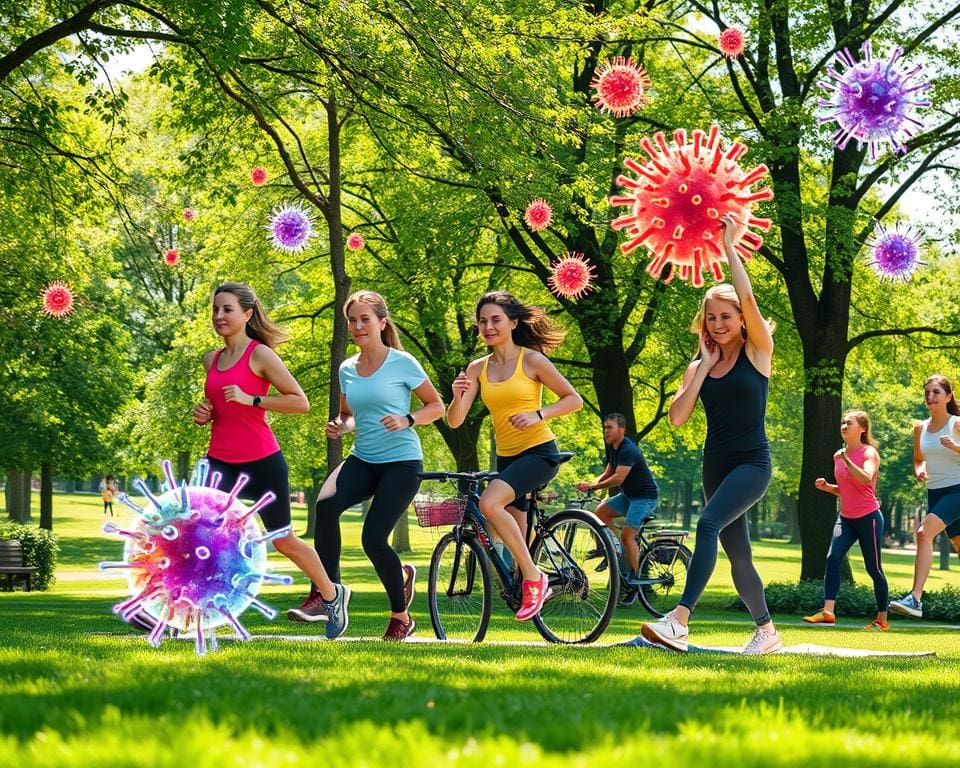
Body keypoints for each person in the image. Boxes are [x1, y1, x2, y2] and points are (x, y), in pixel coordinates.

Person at [641, 214, 782, 655]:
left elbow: (748, 294)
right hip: (715, 465)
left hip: (751, 464)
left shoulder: (758, 352)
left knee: (705, 524)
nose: (719, 324)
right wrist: (701, 367)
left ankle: (679, 620)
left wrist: (729, 246)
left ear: (741, 319)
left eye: (726, 316)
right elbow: (678, 418)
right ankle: (767, 632)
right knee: (738, 553)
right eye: (711, 318)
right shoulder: (698, 365)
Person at [192, 282, 348, 640]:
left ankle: (331, 594)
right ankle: (191, 604)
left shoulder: (260, 355)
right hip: (220, 461)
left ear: (247, 314)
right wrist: (204, 413)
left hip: (262, 461)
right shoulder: (211, 360)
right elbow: (220, 409)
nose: (219, 316)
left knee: (283, 540)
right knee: (199, 528)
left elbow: (300, 402)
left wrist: (254, 400)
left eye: (227, 309)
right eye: (215, 309)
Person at [291, 291, 443, 641]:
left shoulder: (402, 362)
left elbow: (436, 406)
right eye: (353, 320)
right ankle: (327, 594)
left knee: (373, 538)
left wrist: (408, 419)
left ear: (381, 323)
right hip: (364, 458)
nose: (358, 326)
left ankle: (401, 617)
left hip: (402, 462)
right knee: (326, 506)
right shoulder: (347, 368)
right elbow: (349, 416)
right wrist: (339, 426)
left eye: (365, 319)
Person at [447, 291, 583, 621]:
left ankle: (535, 577)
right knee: (511, 533)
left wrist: (539, 414)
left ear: (513, 322)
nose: (489, 326)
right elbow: (455, 420)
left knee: (489, 504)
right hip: (507, 458)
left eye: (496, 320)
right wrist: (457, 395)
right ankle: (528, 584)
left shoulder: (531, 360)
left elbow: (573, 399)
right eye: (482, 321)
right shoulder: (477, 368)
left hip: (538, 453)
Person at [803, 410, 889, 631]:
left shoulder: (869, 453)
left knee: (874, 568)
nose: (843, 426)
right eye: (842, 422)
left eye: (848, 423)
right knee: (833, 559)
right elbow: (846, 489)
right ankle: (828, 612)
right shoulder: (838, 455)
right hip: (846, 518)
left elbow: (866, 479)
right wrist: (827, 487)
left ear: (862, 429)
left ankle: (882, 618)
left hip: (868, 517)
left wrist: (847, 460)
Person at [890, 374, 960, 619]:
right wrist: (920, 470)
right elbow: (919, 459)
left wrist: (955, 447)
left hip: (958, 490)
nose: (930, 397)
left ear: (948, 396)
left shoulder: (956, 424)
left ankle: (915, 599)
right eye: (927, 392)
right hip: (936, 492)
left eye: (936, 392)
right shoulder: (920, 428)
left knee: (923, 533)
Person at [575, 413, 659, 606]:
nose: (605, 431)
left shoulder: (628, 449)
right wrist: (590, 483)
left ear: (622, 429)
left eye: (609, 427)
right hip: (629, 496)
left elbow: (618, 478)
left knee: (628, 534)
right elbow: (607, 473)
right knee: (601, 512)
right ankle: (615, 549)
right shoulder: (613, 448)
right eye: (604, 427)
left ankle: (635, 583)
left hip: (645, 497)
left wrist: (593, 487)